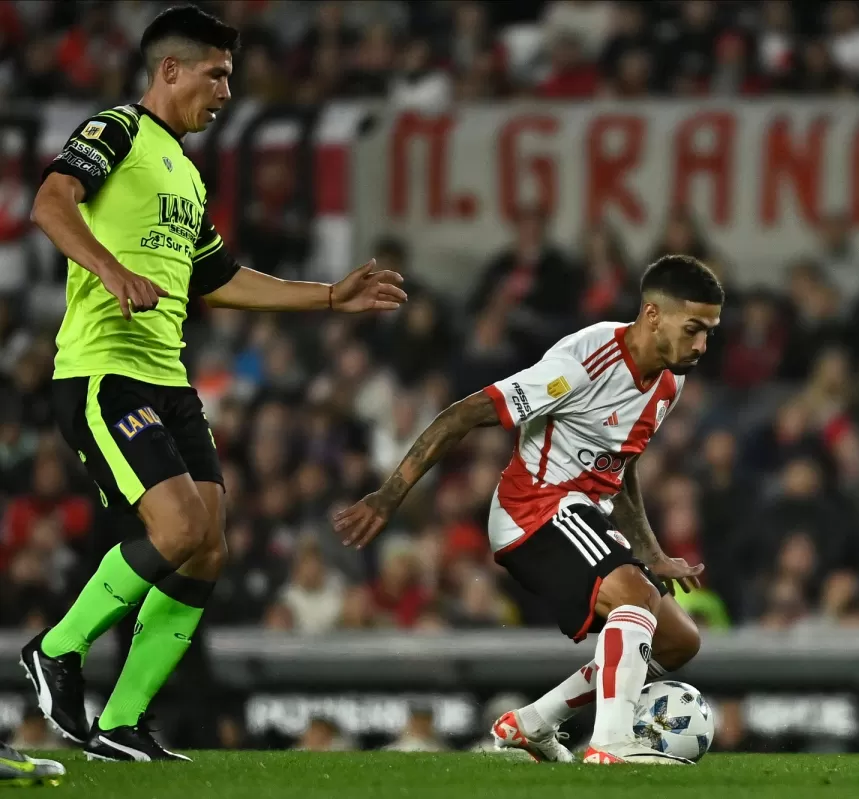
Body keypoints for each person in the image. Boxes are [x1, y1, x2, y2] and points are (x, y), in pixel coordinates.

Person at [20, 6, 405, 763]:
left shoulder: (186, 175)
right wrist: (111, 268)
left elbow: (220, 279)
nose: (228, 90)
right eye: (217, 73)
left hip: (167, 377)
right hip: (105, 371)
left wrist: (331, 296)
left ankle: (123, 722)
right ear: (170, 70)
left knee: (209, 545)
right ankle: (56, 650)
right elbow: (49, 203)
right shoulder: (116, 132)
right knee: (179, 529)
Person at [336, 254, 724, 765]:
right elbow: (462, 414)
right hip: (533, 509)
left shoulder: (669, 383)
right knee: (635, 599)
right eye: (693, 328)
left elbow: (621, 468)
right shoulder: (583, 363)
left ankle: (534, 723)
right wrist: (390, 494)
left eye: (710, 333)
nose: (701, 345)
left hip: (583, 513)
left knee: (679, 640)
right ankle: (609, 743)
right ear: (653, 314)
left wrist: (653, 553)